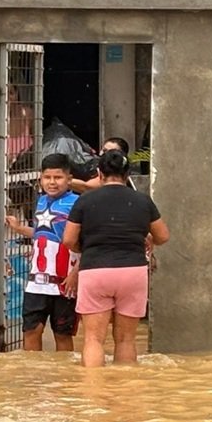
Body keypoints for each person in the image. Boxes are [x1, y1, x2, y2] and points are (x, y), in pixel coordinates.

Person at [64, 149, 169, 367]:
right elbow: (163, 236)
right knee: (126, 339)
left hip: (95, 270)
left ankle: (93, 393)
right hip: (133, 271)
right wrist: (145, 236)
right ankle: (126, 393)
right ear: (127, 173)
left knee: (93, 339)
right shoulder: (142, 201)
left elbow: (68, 239)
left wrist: (85, 246)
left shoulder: (85, 200)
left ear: (100, 173)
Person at [5, 153, 81, 352]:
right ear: (41, 179)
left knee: (62, 335)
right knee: (31, 331)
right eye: (47, 177)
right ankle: (33, 378)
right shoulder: (40, 202)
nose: (52, 182)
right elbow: (41, 234)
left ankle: (65, 380)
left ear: (69, 179)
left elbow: (87, 242)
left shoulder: (77, 203)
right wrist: (18, 228)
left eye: (58, 177)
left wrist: (75, 274)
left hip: (64, 283)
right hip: (36, 283)